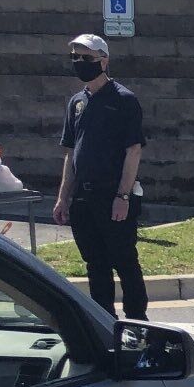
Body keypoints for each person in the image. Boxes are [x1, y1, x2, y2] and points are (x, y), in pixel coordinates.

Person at [52, 32, 148, 320]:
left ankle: (137, 319)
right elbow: (70, 153)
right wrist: (62, 198)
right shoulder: (76, 103)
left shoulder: (124, 101)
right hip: (83, 196)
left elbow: (134, 151)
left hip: (113, 195)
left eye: (87, 58)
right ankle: (105, 319)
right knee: (95, 262)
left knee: (125, 260)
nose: (80, 63)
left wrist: (123, 196)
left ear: (104, 61)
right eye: (75, 58)